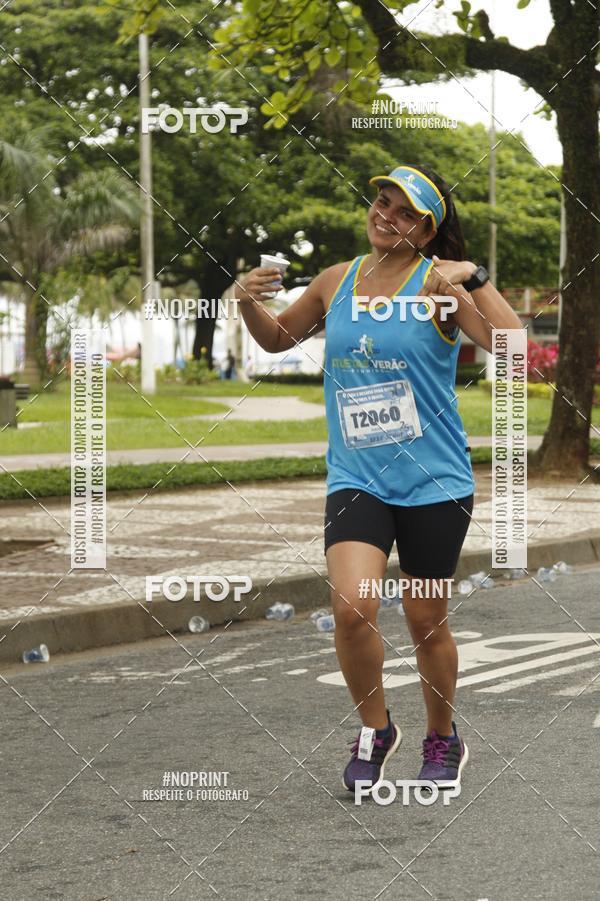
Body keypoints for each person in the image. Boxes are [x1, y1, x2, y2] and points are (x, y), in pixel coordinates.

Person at [237, 164, 522, 798]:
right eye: (380, 201)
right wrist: (247, 301)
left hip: (434, 484)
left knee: (425, 620)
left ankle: (442, 735)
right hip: (357, 479)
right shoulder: (336, 280)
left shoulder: (440, 284)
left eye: (401, 209)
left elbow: (511, 345)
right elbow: (278, 339)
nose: (383, 213)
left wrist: (474, 277)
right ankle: (376, 730)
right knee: (352, 610)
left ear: (426, 227)